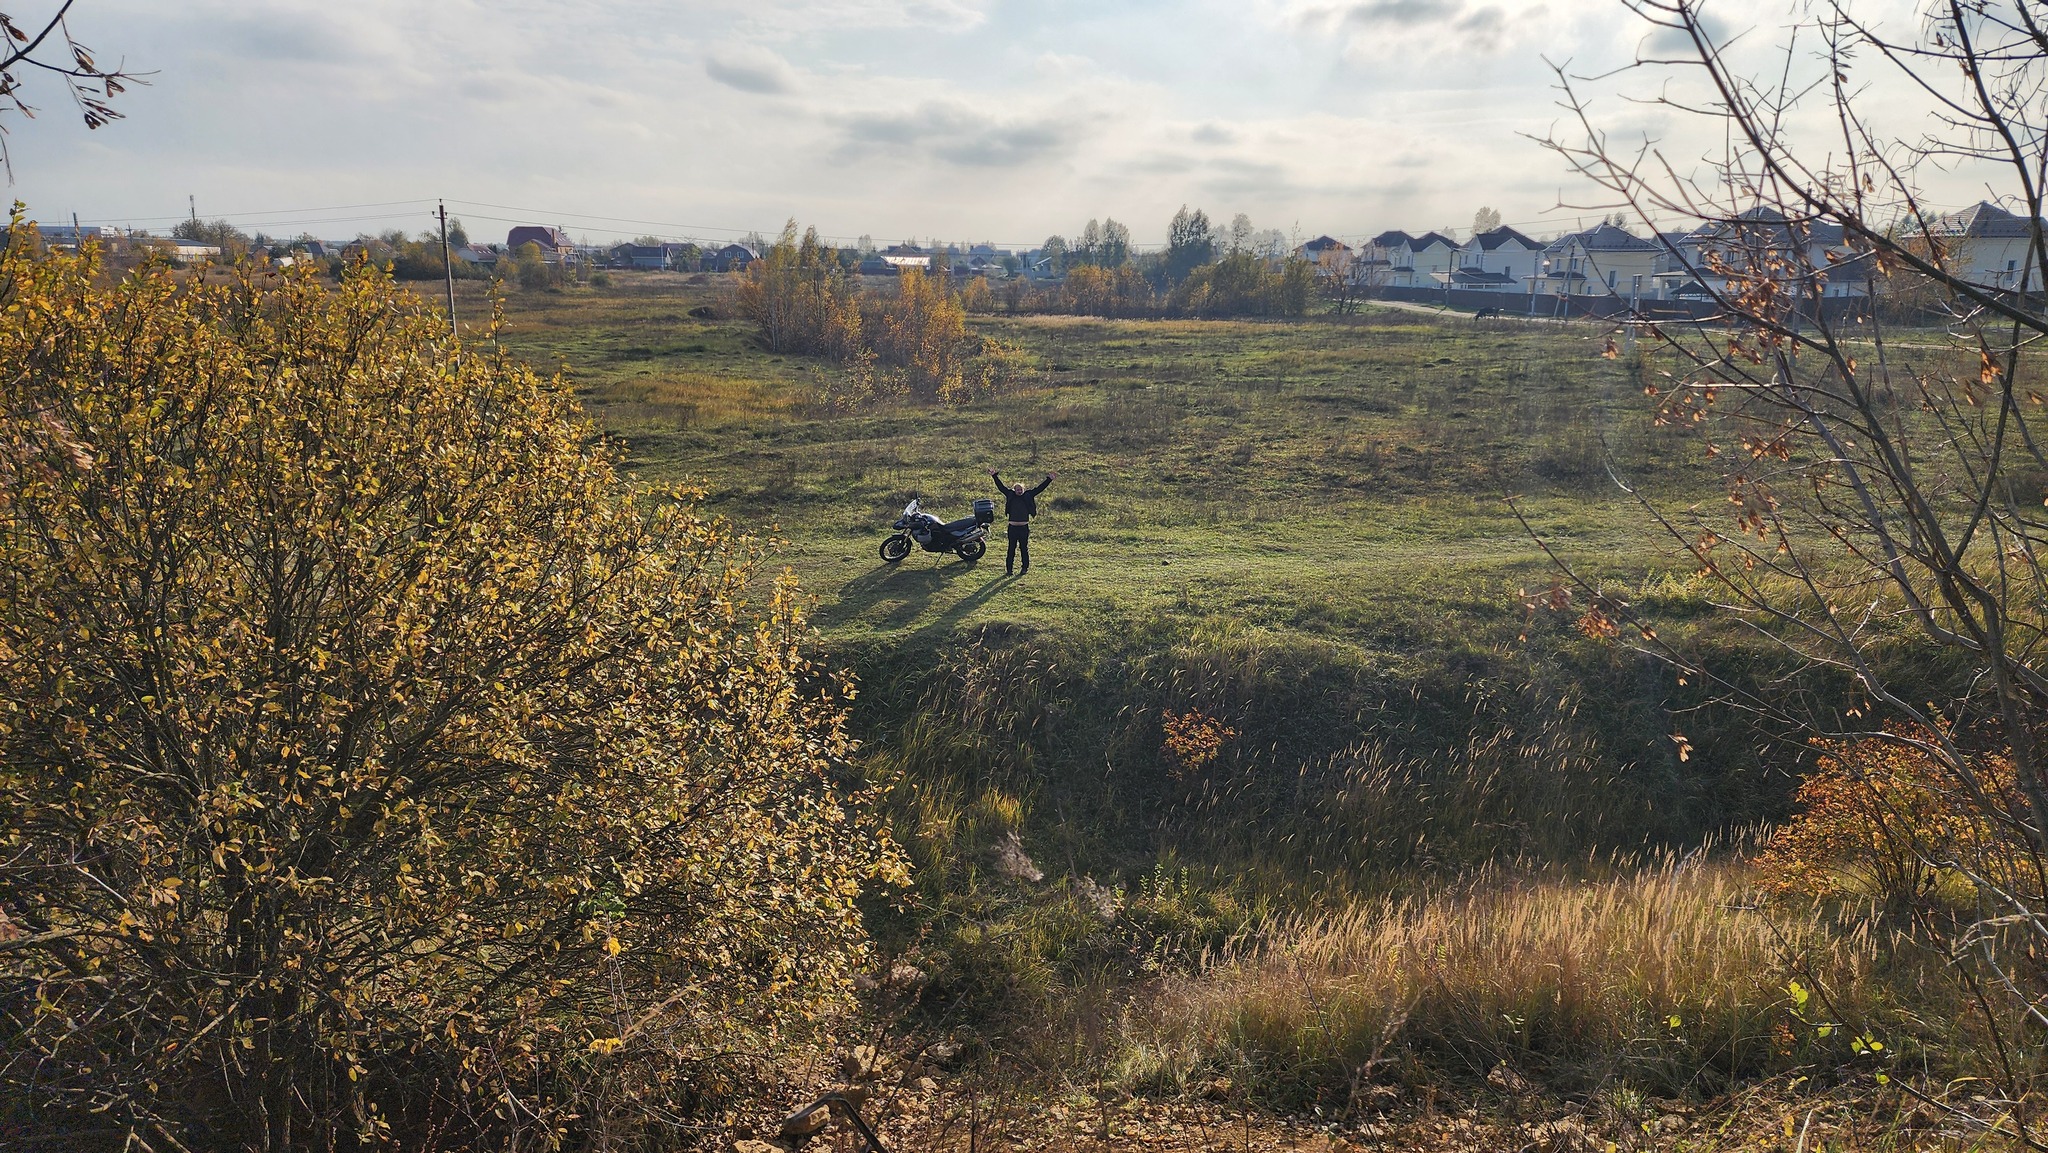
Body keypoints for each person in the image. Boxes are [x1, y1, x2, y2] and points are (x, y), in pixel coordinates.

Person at [989, 467, 1055, 575]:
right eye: (1017, 490)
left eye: (1021, 489)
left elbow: (1039, 489)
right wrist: (994, 476)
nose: (1019, 491)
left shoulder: (1028, 495)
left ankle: (1024, 568)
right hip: (1012, 528)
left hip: (1024, 528)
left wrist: (1049, 479)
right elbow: (1001, 487)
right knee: (1011, 549)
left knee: (1024, 548)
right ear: (1014, 490)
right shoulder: (1010, 495)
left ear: (1023, 489)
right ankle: (1009, 570)